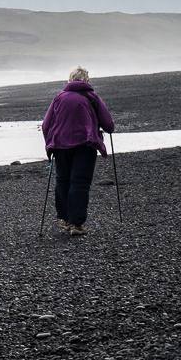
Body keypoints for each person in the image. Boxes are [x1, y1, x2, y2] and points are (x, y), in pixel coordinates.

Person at [41, 65, 115, 236]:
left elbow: (46, 125)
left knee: (63, 181)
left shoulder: (59, 98)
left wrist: (49, 145)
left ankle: (65, 219)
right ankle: (76, 224)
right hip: (85, 145)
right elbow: (109, 125)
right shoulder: (92, 97)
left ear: (70, 79)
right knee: (79, 182)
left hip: (60, 146)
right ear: (86, 80)